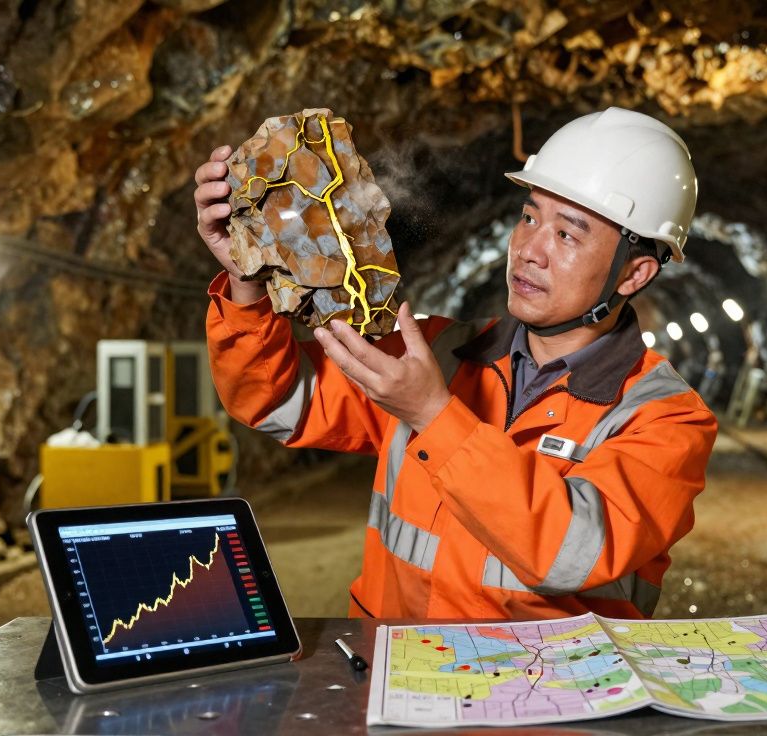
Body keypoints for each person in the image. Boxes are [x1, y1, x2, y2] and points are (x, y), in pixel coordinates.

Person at [194, 107, 717, 620]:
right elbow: (275, 400)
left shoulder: (665, 419)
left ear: (633, 274)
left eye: (567, 234)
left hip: (542, 675)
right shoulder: (438, 353)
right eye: (529, 217)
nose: (529, 250)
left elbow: (571, 553)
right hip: (395, 663)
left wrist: (432, 415)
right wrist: (247, 280)